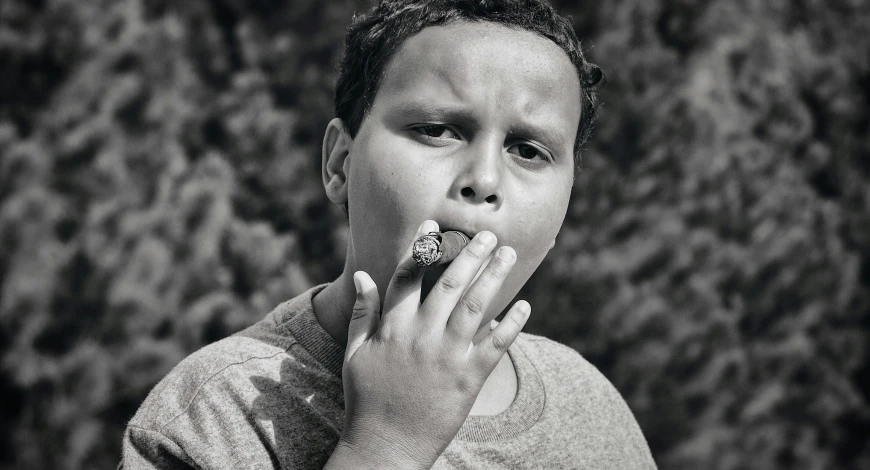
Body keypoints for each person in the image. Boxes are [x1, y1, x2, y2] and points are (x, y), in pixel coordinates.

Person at [121, 0, 657, 468]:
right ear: (339, 163)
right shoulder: (216, 415)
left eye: (527, 150)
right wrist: (387, 445)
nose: (484, 181)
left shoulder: (587, 404)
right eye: (437, 130)